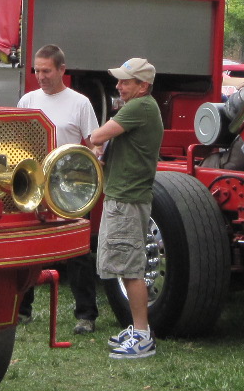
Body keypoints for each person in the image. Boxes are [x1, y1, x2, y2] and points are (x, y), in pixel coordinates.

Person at [82, 57, 164, 360]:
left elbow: (97, 135)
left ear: (142, 86)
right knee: (127, 267)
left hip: (128, 201)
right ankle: (137, 329)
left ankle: (142, 336)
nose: (118, 86)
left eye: (125, 82)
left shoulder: (140, 107)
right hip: (125, 198)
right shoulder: (143, 107)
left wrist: (96, 142)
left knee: (131, 270)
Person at [16, 44, 100, 333]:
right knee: (27, 249)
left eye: (46, 71)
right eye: (37, 70)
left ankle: (86, 316)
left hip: (70, 189)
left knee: (77, 252)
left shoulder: (80, 103)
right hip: (34, 187)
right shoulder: (27, 101)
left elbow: (94, 145)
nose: (41, 76)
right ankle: (21, 311)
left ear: (62, 70)